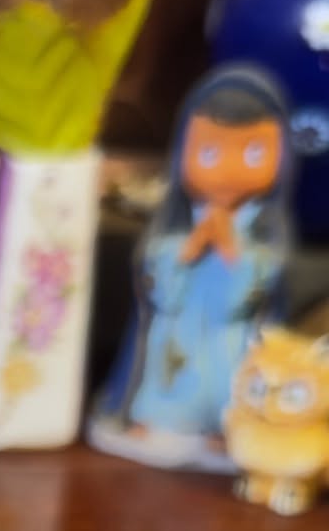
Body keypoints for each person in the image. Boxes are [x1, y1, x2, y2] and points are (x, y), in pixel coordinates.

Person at [89, 66, 295, 470]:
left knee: (226, 383)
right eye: (210, 153)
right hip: (178, 334)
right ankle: (151, 420)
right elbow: (159, 289)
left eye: (253, 153)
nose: (228, 170)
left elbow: (254, 294)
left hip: (229, 337)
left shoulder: (264, 241)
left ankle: (223, 431)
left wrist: (233, 251)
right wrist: (187, 250)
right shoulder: (175, 230)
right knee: (167, 375)